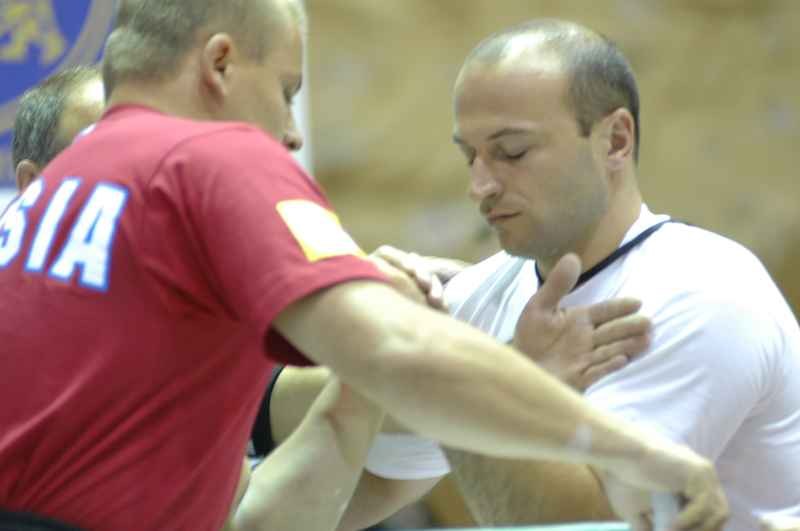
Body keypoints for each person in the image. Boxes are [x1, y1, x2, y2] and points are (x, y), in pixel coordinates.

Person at [0, 2, 728, 531]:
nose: (288, 132)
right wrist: (633, 450)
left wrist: (362, 375)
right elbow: (397, 347)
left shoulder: (66, 185)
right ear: (220, 63)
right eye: (286, 90)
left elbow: (255, 518)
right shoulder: (206, 155)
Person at [378, 18, 799, 530]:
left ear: (615, 140)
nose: (480, 186)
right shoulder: (479, 295)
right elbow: (351, 492)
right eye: (470, 157)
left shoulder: (707, 292)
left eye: (512, 151)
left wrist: (472, 380)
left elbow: (574, 522)